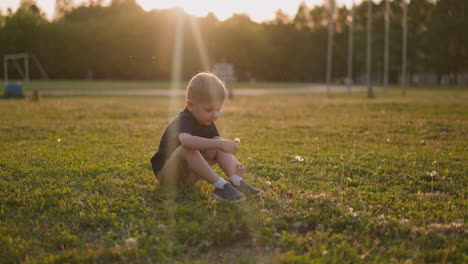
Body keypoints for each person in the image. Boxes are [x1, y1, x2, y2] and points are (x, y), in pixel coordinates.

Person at [151, 72, 263, 202]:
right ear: (190, 106)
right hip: (168, 177)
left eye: (218, 110)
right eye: (209, 110)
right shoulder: (183, 120)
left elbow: (219, 148)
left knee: (217, 142)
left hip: (188, 177)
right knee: (188, 148)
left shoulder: (207, 122)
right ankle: (221, 186)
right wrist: (219, 144)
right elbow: (187, 142)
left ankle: (237, 182)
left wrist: (236, 166)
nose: (215, 115)